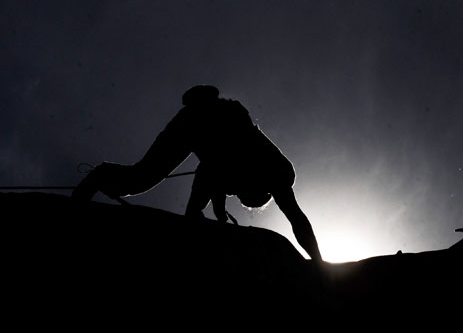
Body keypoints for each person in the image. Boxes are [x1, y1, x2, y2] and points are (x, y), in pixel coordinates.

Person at [72, 85, 323, 261]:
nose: (236, 194)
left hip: (199, 123)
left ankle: (99, 179)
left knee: (141, 179)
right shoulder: (277, 174)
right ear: (257, 190)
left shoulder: (244, 176)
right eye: (242, 195)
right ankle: (99, 177)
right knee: (141, 180)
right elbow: (297, 219)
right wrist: (320, 264)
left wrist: (215, 216)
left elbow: (215, 179)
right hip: (202, 122)